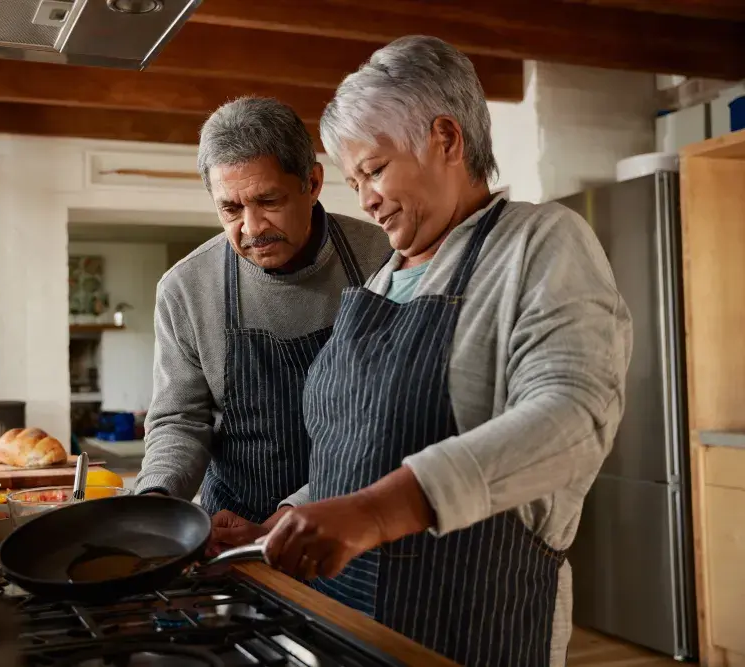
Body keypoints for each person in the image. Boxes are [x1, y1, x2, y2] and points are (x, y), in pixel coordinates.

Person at [259, 36, 633, 667]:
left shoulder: (539, 242)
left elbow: (575, 415)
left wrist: (379, 512)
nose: (365, 199)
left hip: (471, 627)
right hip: (339, 623)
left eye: (374, 170)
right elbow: (359, 445)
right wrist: (288, 517)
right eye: (354, 182)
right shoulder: (383, 278)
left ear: (447, 140)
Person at [134, 97, 392, 545]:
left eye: (267, 201)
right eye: (230, 209)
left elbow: (390, 419)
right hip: (231, 533)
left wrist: (297, 512)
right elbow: (181, 418)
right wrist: (157, 495)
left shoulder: (384, 259)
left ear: (312, 183)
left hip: (353, 525)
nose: (252, 228)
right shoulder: (186, 288)